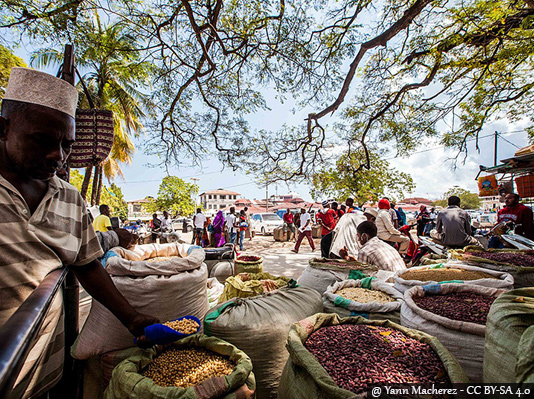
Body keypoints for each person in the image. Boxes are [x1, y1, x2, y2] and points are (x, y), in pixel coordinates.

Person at [0, 67, 158, 397]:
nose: (57, 156)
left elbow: (87, 265)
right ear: (3, 129)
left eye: (66, 145)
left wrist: (131, 318)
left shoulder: (70, 198)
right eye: (42, 141)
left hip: (46, 372)